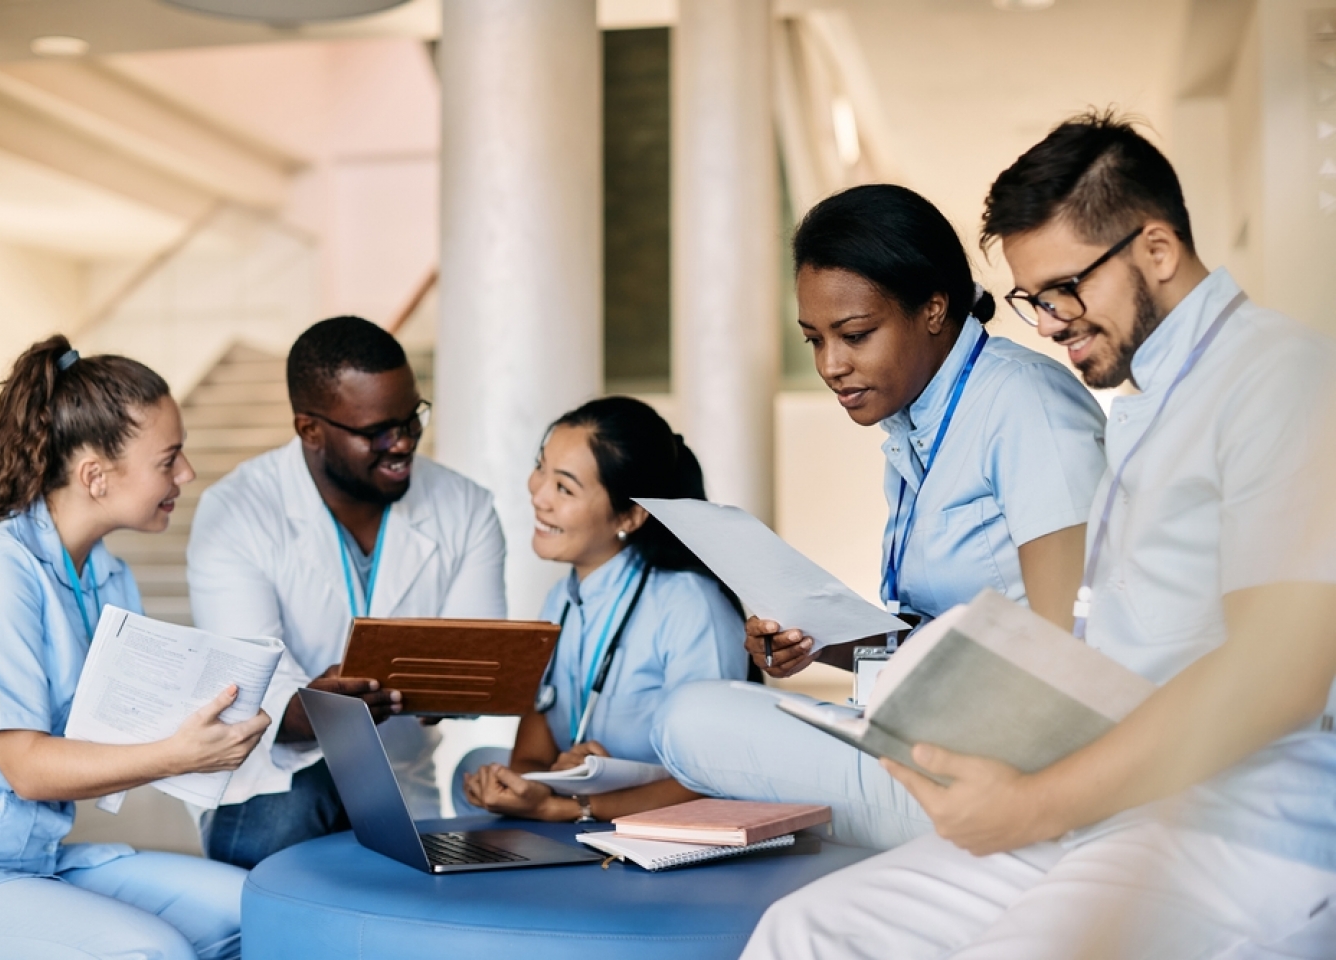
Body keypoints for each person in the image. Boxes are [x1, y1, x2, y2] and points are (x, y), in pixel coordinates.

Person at [742, 112, 1336, 960]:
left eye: (1064, 289)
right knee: (804, 930)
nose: (1048, 321)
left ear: (1157, 252)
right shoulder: (1143, 407)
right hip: (1108, 798)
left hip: (1234, 815)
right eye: (1031, 298)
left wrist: (1037, 801)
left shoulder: (1277, 379)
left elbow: (1277, 674)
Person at [652, 183, 1108, 849]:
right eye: (814, 340)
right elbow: (931, 648)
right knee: (704, 712)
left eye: (856, 335)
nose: (832, 366)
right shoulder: (911, 429)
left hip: (1008, 774)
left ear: (932, 308)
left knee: (686, 719)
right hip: (925, 730)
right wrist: (821, 643)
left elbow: (1072, 644)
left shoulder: (1024, 404)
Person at [0, 336, 265, 960]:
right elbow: (29, 769)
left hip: (37, 859)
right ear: (96, 476)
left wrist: (223, 720)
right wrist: (176, 755)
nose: (186, 475)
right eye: (168, 458)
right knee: (153, 952)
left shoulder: (109, 577)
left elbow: (130, 725)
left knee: (259, 911)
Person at [187, 315, 506, 868]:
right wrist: (315, 710)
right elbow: (246, 690)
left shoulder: (467, 508)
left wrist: (453, 688)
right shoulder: (235, 511)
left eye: (412, 419)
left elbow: (476, 661)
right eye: (378, 431)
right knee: (302, 817)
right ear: (310, 429)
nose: (403, 443)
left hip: (402, 779)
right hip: (273, 788)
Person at [460, 396, 748, 823]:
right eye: (541, 468)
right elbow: (532, 755)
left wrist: (570, 805)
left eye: (564, 487)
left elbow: (714, 778)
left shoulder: (691, 605)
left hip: (667, 839)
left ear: (631, 515)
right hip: (581, 821)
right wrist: (523, 785)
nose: (538, 495)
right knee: (472, 765)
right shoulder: (560, 600)